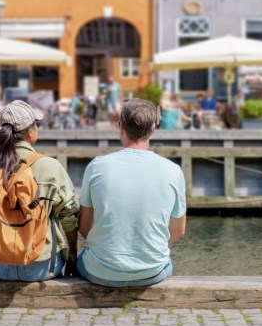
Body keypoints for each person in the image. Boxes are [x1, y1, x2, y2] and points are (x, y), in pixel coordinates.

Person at [78, 99, 186, 288]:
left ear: (120, 127)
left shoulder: (96, 166)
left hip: (100, 270)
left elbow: (84, 226)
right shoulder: (173, 170)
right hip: (152, 271)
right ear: (153, 129)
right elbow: (179, 230)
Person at [0, 100, 78, 282]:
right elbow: (69, 215)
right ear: (30, 131)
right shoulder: (50, 166)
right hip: (41, 267)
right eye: (36, 124)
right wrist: (72, 254)